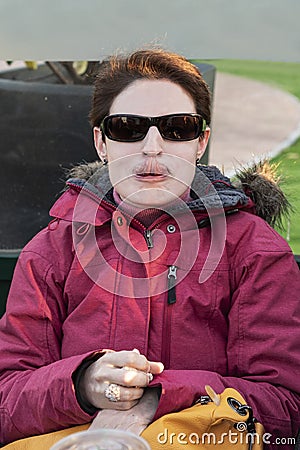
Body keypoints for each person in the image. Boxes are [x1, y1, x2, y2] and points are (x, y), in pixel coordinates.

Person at [0, 48, 300, 449]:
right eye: (128, 127)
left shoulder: (255, 251)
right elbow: (6, 400)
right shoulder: (53, 250)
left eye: (178, 127)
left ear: (201, 142)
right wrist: (82, 384)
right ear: (101, 142)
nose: (153, 146)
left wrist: (154, 401)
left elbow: (284, 409)